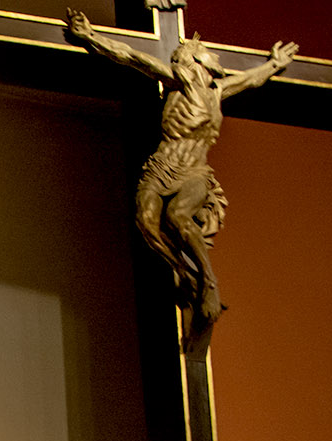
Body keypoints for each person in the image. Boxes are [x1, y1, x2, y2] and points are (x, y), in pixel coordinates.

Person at [64, 9, 296, 347]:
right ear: (196, 61)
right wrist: (89, 36)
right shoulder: (177, 81)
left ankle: (209, 283)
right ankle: (185, 276)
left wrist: (275, 64)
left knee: (178, 215)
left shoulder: (218, 90)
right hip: (162, 167)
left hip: (194, 171)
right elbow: (131, 56)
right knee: (146, 220)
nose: (216, 59)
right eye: (209, 55)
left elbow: (252, 79)